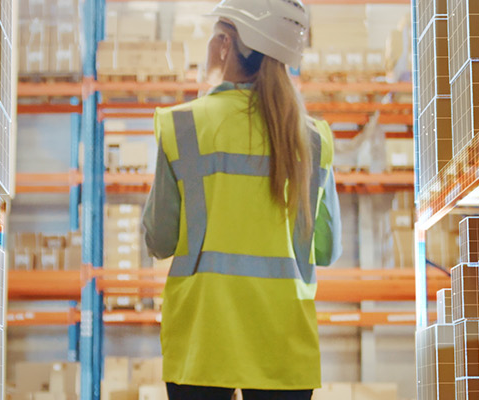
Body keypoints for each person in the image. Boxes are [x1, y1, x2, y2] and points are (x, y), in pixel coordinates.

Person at [140, 0, 339, 399]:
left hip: (201, 341)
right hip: (283, 344)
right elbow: (326, 249)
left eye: (215, 34)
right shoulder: (313, 139)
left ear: (227, 44)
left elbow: (159, 239)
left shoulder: (184, 125)